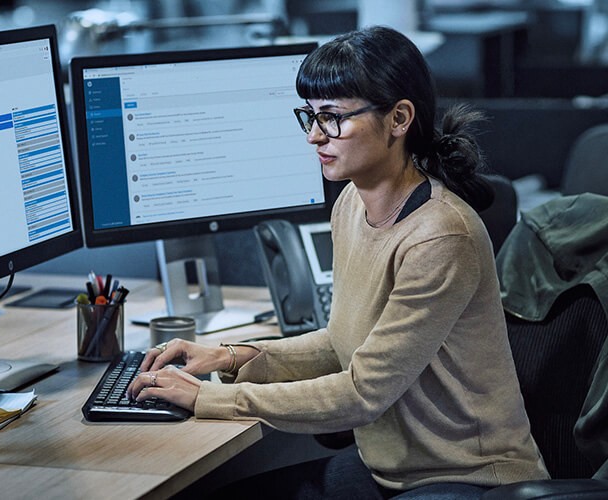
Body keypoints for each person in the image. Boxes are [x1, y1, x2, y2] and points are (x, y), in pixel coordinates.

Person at [128, 26, 550, 498]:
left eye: (331, 118)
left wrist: (210, 397)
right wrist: (233, 356)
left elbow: (362, 393)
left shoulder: (440, 236)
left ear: (399, 118)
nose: (313, 136)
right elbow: (343, 341)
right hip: (391, 471)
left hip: (467, 480)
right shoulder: (351, 203)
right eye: (309, 117)